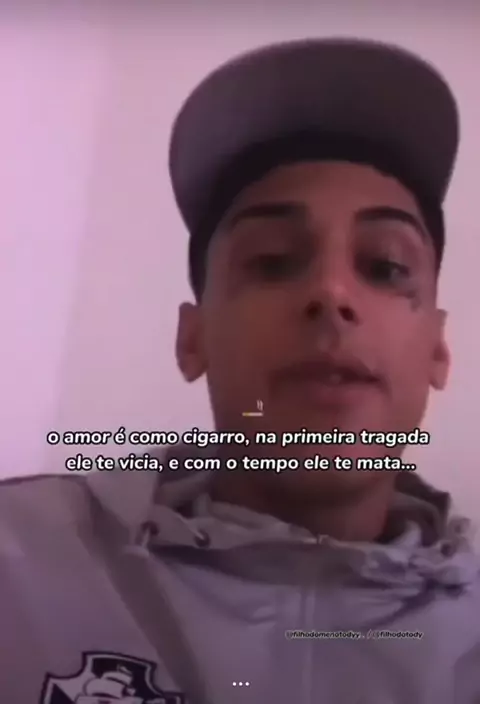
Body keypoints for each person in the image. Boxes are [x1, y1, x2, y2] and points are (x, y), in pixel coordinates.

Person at [1, 37, 479, 704]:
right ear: (192, 339)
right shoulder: (18, 569)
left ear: (438, 350)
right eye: (273, 260)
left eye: (385, 266)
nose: (332, 292)